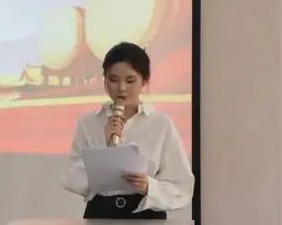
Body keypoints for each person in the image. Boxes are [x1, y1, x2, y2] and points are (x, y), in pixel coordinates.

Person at [61, 42, 194, 219]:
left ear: (144, 81)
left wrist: (149, 186)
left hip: (145, 213)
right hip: (101, 213)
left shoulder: (161, 124)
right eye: (113, 80)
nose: (121, 88)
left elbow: (182, 185)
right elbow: (74, 177)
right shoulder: (88, 123)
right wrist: (107, 148)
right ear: (105, 80)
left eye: (130, 80)